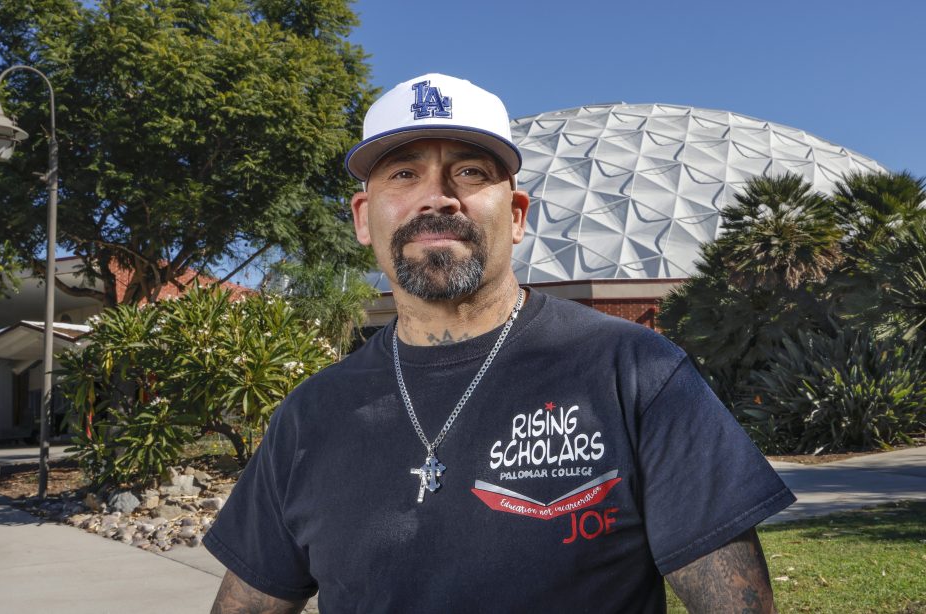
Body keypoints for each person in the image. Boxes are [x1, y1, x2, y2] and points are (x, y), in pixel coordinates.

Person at [204, 73, 795, 613]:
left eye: (470, 172)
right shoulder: (310, 416)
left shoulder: (635, 372)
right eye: (404, 173)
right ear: (364, 217)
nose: (437, 196)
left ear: (515, 215)